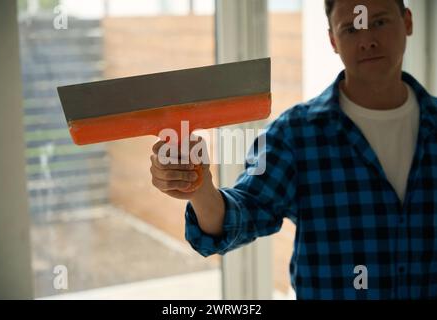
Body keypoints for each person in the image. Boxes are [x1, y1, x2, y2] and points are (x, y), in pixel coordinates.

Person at [149, 0, 437, 299]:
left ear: (407, 22)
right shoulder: (295, 134)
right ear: (332, 40)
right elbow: (244, 213)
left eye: (378, 22)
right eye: (350, 29)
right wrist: (199, 187)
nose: (367, 40)